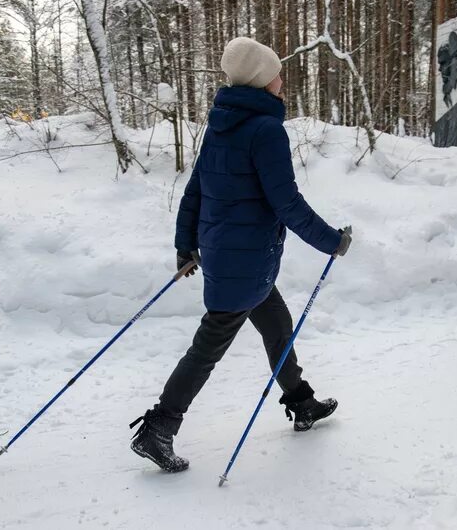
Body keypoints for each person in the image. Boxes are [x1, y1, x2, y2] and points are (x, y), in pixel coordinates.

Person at [129, 37, 352, 473]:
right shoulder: (266, 131)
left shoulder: (222, 124)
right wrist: (332, 242)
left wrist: (184, 244)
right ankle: (160, 427)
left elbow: (195, 189)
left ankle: (301, 402)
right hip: (246, 261)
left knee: (277, 324)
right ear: (261, 80)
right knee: (210, 345)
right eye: (276, 73)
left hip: (230, 255)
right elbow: (285, 202)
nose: (282, 79)